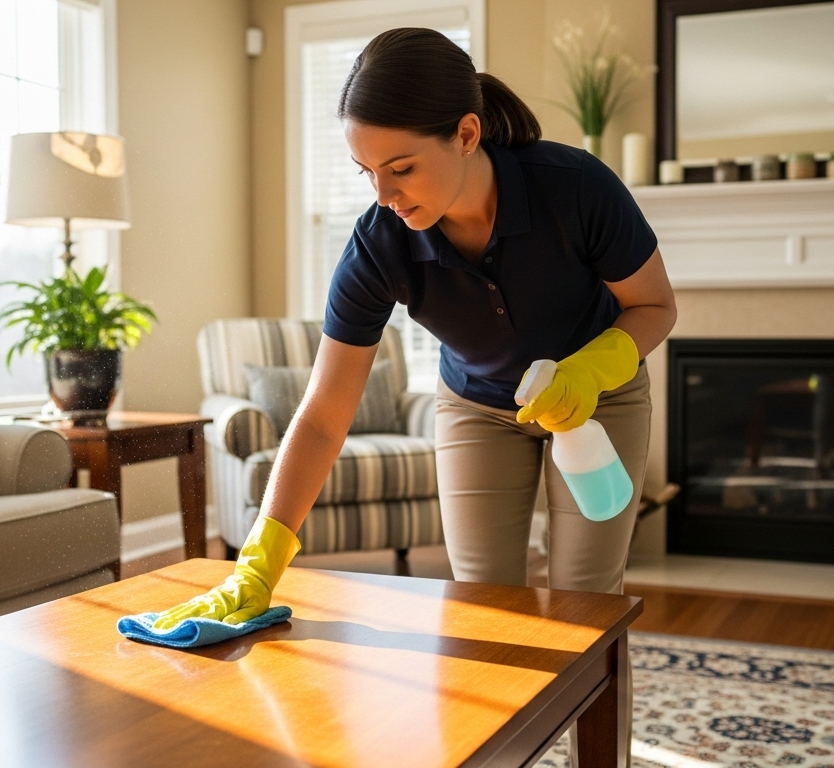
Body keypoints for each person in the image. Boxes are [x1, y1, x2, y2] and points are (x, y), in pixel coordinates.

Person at [154, 26, 674, 643]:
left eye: (400, 168)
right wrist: (258, 565)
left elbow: (653, 305)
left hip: (600, 401)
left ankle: (599, 743)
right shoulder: (378, 245)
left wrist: (588, 371)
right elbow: (323, 416)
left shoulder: (575, 187)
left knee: (588, 601)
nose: (384, 194)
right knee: (485, 610)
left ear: (466, 134)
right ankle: (507, 741)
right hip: (479, 406)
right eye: (366, 170)